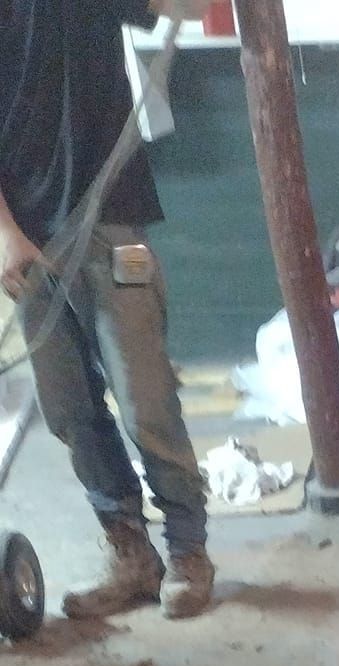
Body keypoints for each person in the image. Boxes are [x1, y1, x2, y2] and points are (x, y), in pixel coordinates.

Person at [0, 0, 213, 620]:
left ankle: (188, 552)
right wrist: (5, 234)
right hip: (26, 240)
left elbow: (187, 8)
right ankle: (131, 555)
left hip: (110, 217)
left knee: (143, 395)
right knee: (70, 407)